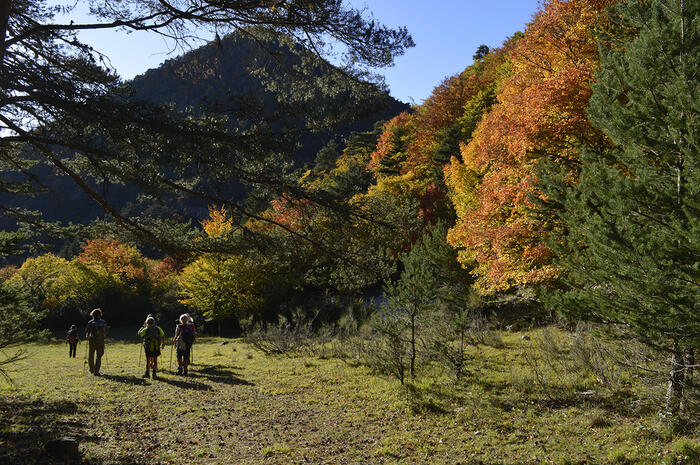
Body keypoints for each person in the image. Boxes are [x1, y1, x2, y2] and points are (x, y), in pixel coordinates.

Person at [85, 308, 107, 376]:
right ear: (100, 315)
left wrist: (87, 337)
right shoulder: (103, 322)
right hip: (100, 340)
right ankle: (96, 371)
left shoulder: (90, 322)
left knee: (91, 355)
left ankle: (92, 370)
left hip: (92, 340)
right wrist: (104, 336)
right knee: (99, 355)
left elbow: (87, 332)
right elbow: (105, 332)